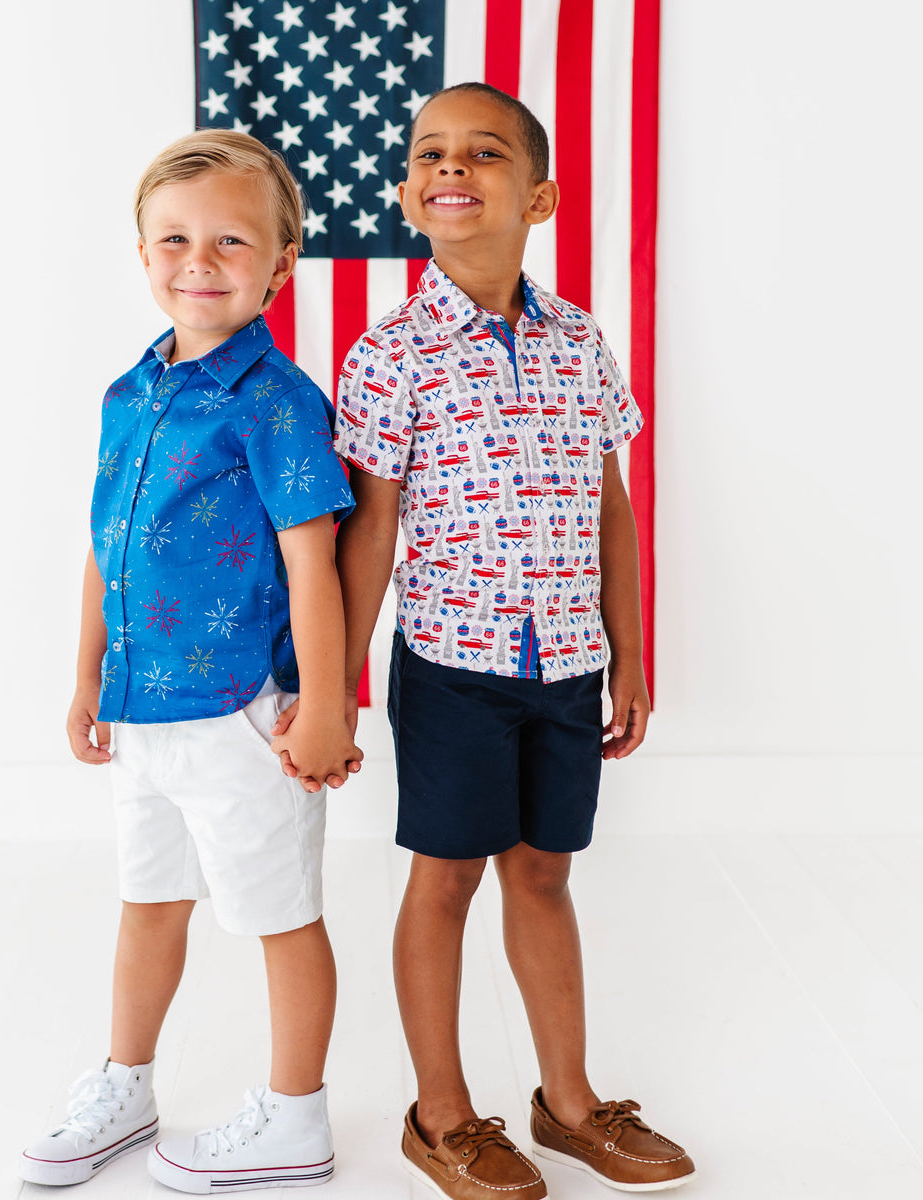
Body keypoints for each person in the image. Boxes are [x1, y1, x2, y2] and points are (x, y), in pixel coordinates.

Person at [280, 82, 695, 1197]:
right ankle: (443, 1114)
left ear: (542, 195)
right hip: (455, 665)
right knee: (449, 875)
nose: (452, 166)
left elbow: (611, 504)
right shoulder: (392, 351)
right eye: (432, 154)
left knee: (546, 873)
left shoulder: (578, 341)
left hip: (566, 661)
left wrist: (631, 653)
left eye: (485, 152)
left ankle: (568, 1103)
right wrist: (338, 687)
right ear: (411, 195)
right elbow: (368, 533)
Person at [19, 129, 359, 1194]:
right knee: (147, 898)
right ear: (141, 252)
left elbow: (316, 565)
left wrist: (326, 705)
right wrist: (87, 677)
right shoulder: (130, 393)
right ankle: (127, 1084)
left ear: (278, 263)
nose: (198, 260)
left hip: (238, 713)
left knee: (278, 911)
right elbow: (103, 546)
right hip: (140, 712)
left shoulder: (276, 402)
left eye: (228, 240)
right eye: (174, 238)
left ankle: (296, 1116)